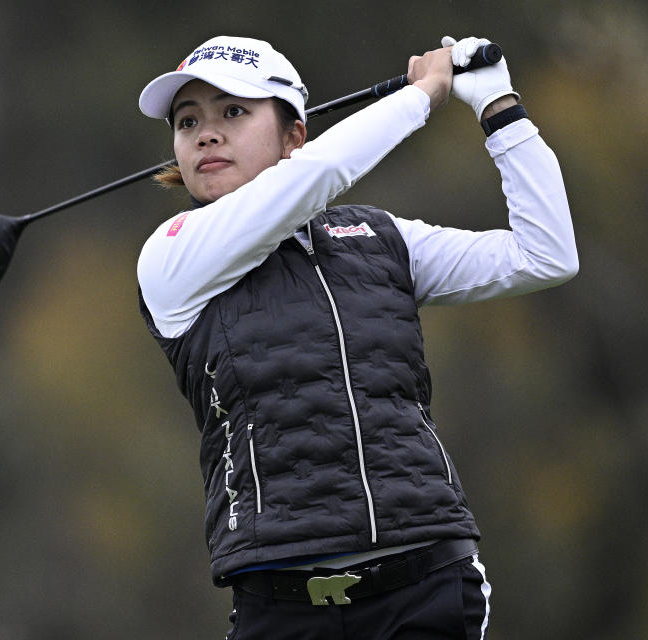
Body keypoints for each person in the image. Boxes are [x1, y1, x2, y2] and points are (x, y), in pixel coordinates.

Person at [135, 34, 578, 640]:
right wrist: (424, 94)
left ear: (294, 133)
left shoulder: (381, 238)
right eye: (188, 122)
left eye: (233, 112)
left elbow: (545, 253)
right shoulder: (172, 258)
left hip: (427, 587)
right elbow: (315, 178)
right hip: (281, 607)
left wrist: (498, 107)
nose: (207, 134)